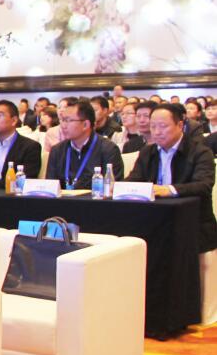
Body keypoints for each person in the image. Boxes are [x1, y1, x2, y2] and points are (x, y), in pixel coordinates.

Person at [127, 104, 217, 252]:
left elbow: (203, 185)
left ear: (180, 125)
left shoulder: (200, 152)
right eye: (153, 126)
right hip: (155, 220)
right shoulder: (147, 152)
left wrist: (169, 190)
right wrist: (119, 187)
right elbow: (134, 179)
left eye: (163, 126)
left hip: (192, 224)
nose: (157, 132)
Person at [45, 100, 124, 190]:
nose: (63, 126)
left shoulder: (108, 149)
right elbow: (50, 188)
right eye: (62, 120)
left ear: (85, 125)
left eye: (68, 120)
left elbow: (111, 189)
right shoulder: (57, 150)